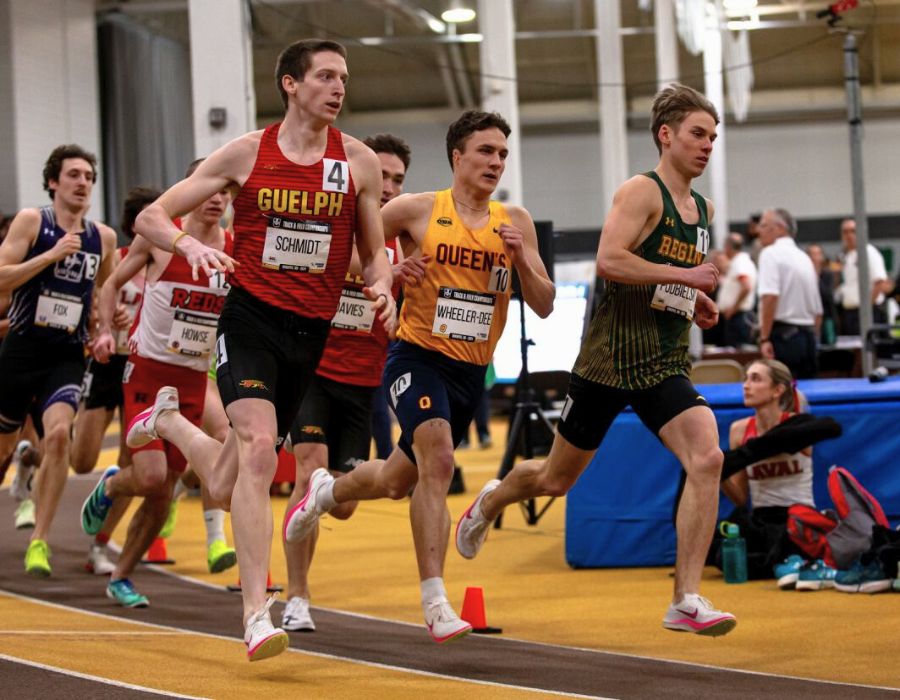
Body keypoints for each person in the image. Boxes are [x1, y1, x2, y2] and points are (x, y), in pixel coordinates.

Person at [120, 39, 395, 661]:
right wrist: (190, 247)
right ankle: (254, 612)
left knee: (226, 480)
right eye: (325, 76)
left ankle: (164, 420)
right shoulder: (247, 152)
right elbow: (153, 218)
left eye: (344, 78)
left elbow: (375, 251)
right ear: (290, 85)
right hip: (249, 320)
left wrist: (381, 284)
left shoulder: (358, 163)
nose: (339, 87)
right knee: (257, 456)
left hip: (312, 330)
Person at [453, 84, 737, 637]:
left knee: (707, 458)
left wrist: (694, 299)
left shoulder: (700, 208)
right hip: (609, 362)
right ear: (666, 135)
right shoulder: (642, 191)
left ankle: (686, 598)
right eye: (698, 134)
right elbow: (610, 260)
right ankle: (494, 497)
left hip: (663, 362)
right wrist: (686, 276)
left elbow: (660, 279)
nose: (707, 146)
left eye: (712, 137)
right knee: (555, 480)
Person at [283, 109, 555, 644]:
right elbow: (339, 257)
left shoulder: (514, 221)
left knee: (391, 480)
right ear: (457, 156)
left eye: (502, 153)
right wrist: (386, 270)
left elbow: (544, 305)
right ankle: (435, 600)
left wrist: (523, 262)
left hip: (469, 372)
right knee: (440, 460)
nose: (495, 162)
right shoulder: (416, 210)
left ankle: (322, 492)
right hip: (416, 358)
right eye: (485, 151)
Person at [279, 133, 420, 632]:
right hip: (312, 370)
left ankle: (318, 502)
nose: (388, 186)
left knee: (344, 504)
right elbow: (322, 262)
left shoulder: (406, 235)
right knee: (307, 471)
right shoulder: (338, 222)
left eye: (398, 179)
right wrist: (388, 271)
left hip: (364, 382)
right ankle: (297, 597)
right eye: (381, 175)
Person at [81, 168, 234, 608]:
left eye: (226, 192)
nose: (216, 199)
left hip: (192, 379)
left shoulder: (234, 250)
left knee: (164, 489)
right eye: (210, 190)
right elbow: (110, 284)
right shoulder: (162, 239)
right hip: (148, 373)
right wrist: (106, 331)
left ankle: (122, 576)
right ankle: (111, 487)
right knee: (148, 478)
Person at [0, 144, 118, 576]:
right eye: (73, 175)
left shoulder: (102, 238)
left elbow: (108, 290)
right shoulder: (34, 222)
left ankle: (39, 542)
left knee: (58, 438)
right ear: (53, 182)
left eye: (88, 175)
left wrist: (106, 326)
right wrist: (49, 256)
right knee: (3, 447)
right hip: (21, 350)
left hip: (66, 355)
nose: (82, 182)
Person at [72, 186, 160, 576]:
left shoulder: (165, 264)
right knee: (83, 458)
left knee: (133, 463)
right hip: (107, 364)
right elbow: (92, 301)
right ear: (132, 226)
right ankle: (31, 459)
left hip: (141, 367)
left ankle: (99, 544)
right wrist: (105, 324)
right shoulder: (118, 262)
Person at [718, 359, 834, 589]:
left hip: (796, 516)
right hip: (761, 518)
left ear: (778, 390)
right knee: (724, 554)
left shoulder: (797, 424)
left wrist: (757, 448)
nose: (746, 385)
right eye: (746, 378)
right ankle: (790, 565)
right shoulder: (739, 430)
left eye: (755, 379)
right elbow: (741, 498)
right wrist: (719, 474)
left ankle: (801, 563)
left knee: (782, 545)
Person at [756, 208, 822, 379]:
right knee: (806, 397)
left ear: (779, 228)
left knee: (783, 398)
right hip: (808, 339)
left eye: (763, 225)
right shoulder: (804, 257)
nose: (758, 230)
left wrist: (764, 338)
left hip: (784, 339)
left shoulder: (770, 254)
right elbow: (818, 312)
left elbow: (770, 297)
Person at [835, 217, 893, 336]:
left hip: (867, 311)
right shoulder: (846, 256)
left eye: (852, 231)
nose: (849, 235)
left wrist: (866, 310)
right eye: (845, 232)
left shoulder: (869, 252)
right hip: (849, 311)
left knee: (869, 350)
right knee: (854, 349)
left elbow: (880, 282)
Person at [717, 232, 757, 347]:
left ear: (728, 247)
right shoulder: (740, 261)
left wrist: (733, 309)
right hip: (738, 316)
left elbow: (746, 286)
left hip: (739, 317)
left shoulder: (740, 262)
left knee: (739, 355)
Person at [806, 244, 838, 345]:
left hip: (826, 318)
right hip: (809, 318)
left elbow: (827, 295)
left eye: (818, 254)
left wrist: (815, 276)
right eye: (812, 254)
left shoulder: (827, 275)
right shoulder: (803, 275)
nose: (815, 257)